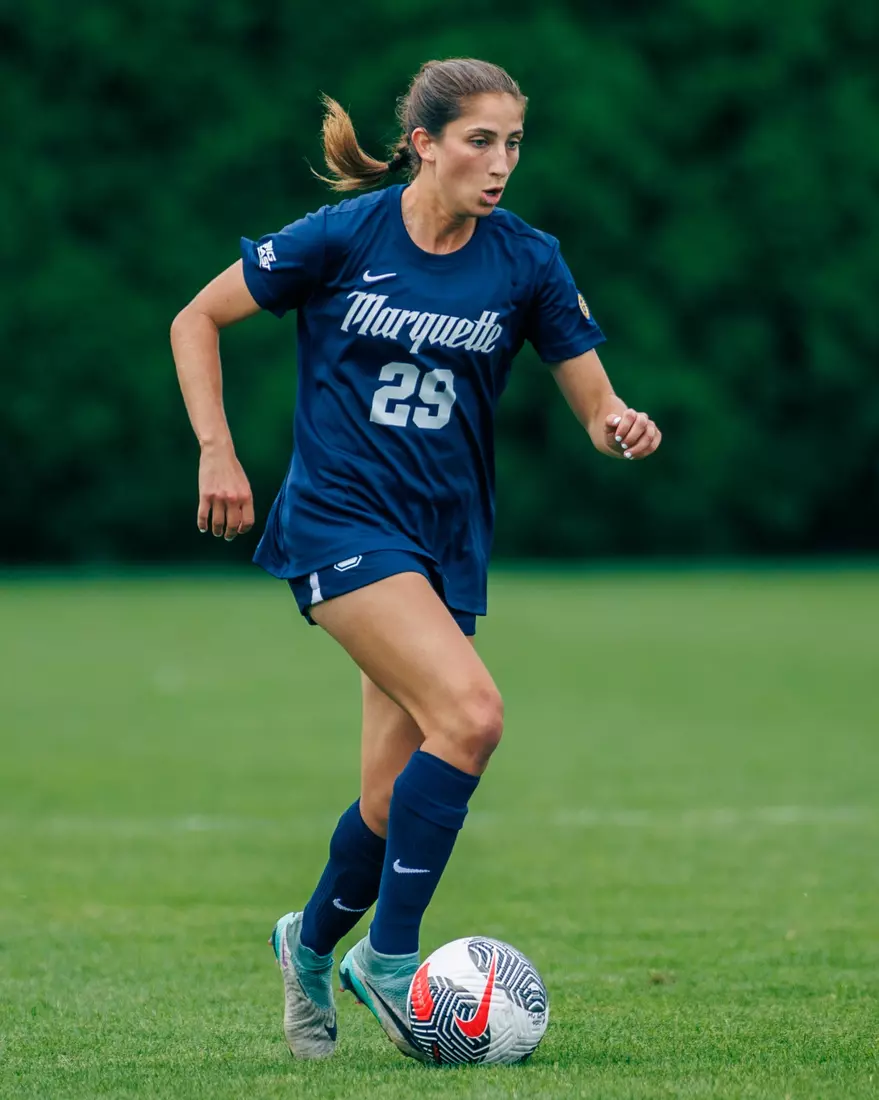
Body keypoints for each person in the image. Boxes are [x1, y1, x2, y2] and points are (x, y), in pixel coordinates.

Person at [170, 57, 661, 1062]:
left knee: (393, 801)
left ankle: (309, 943)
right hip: (340, 521)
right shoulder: (346, 236)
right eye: (481, 140)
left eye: (513, 142)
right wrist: (218, 448)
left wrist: (620, 425)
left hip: (444, 543)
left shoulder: (527, 260)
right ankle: (390, 959)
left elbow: (594, 401)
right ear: (425, 144)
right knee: (472, 716)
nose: (501, 162)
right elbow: (196, 318)